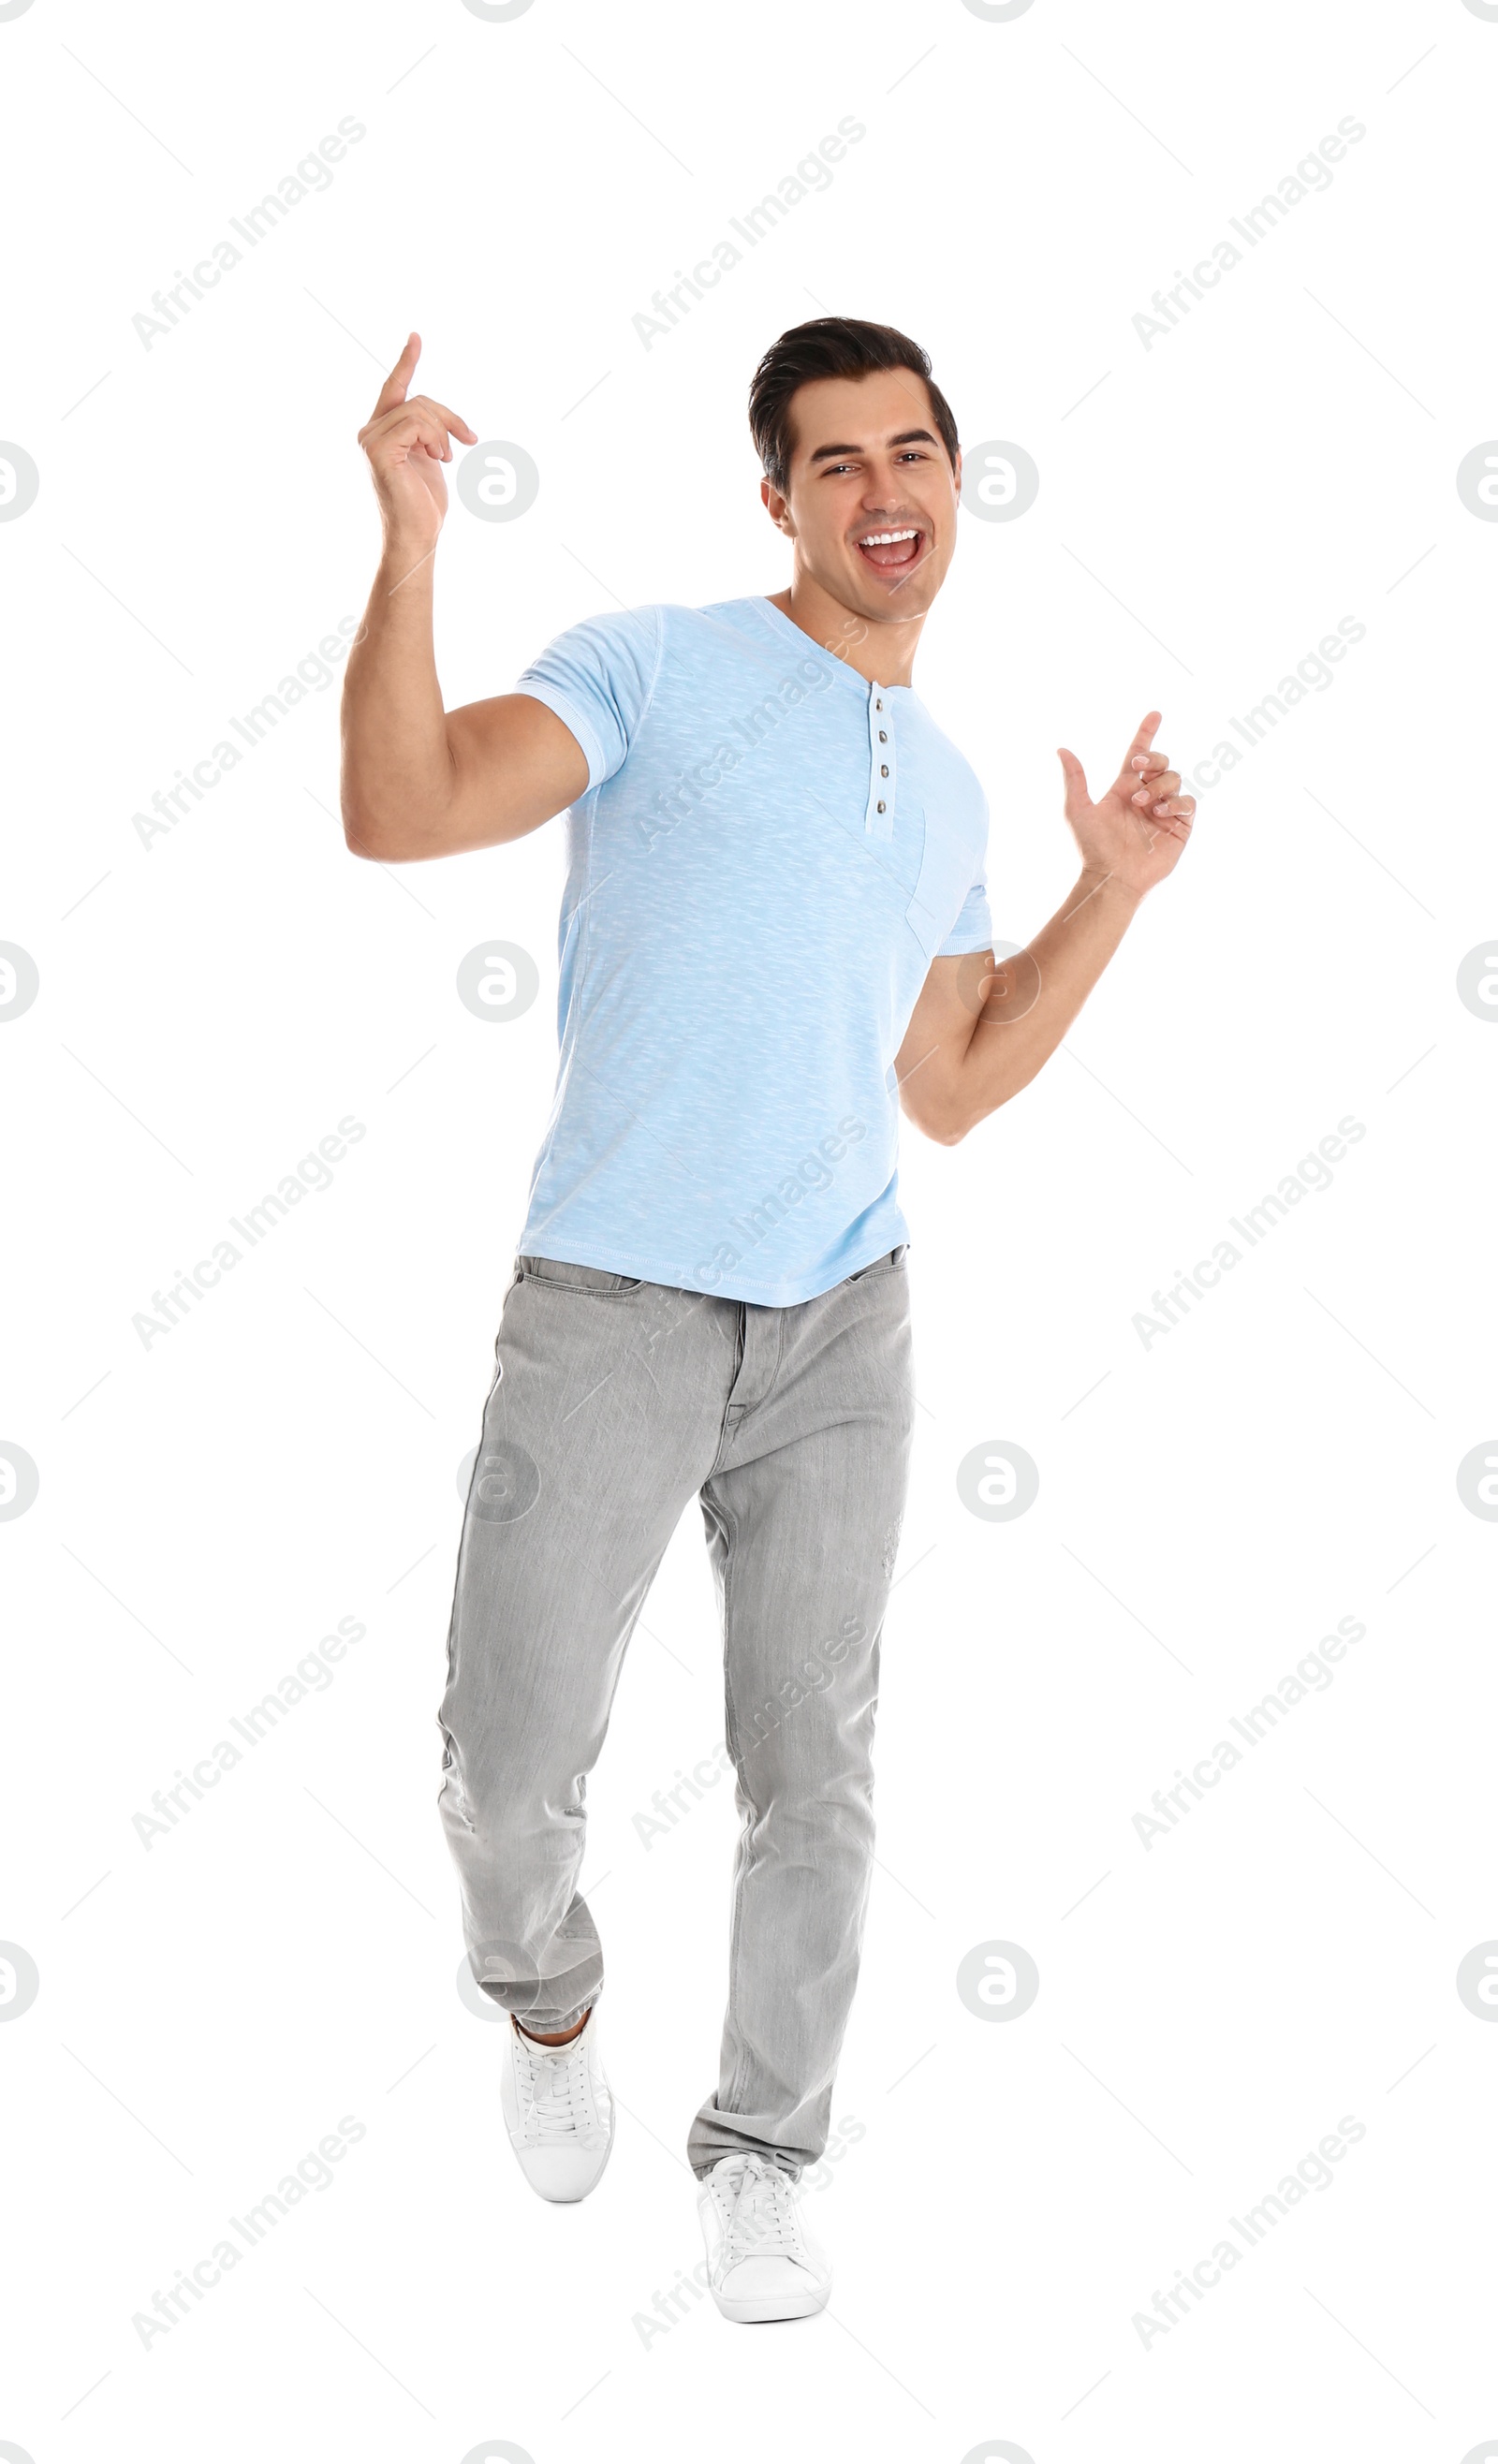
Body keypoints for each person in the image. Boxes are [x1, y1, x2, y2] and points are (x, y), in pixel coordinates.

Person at [339, 315, 1194, 2324]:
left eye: (914, 452)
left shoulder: (954, 787)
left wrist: (1114, 893)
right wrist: (405, 544)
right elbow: (405, 803)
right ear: (776, 500)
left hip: (841, 1321)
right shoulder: (655, 665)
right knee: (506, 1757)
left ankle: (760, 2153)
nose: (885, 492)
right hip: (610, 1303)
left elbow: (955, 1078)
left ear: (950, 480)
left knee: (812, 1764)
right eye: (837, 463)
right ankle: (545, 2000)